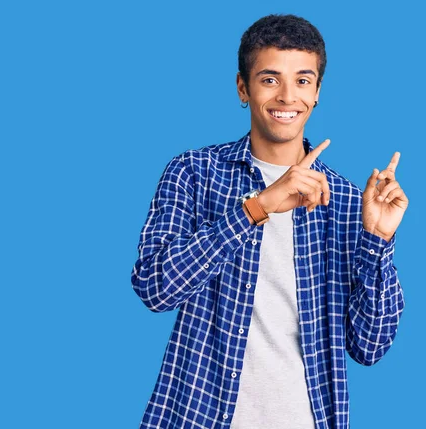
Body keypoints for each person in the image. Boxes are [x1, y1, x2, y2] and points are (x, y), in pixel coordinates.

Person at [131, 14, 408, 429]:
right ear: (243, 88)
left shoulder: (349, 201)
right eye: (269, 79)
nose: (287, 96)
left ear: (316, 93)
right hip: (199, 417)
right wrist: (256, 208)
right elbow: (155, 288)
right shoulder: (193, 172)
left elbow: (369, 346)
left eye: (302, 80)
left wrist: (378, 240)